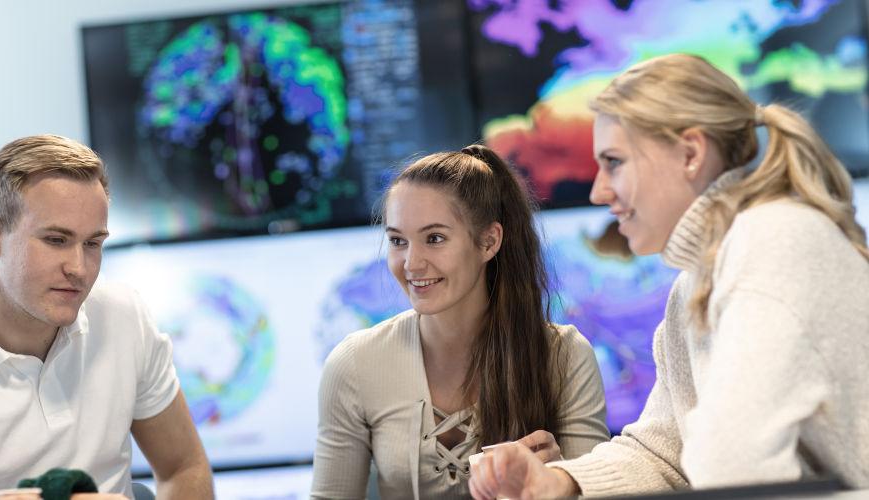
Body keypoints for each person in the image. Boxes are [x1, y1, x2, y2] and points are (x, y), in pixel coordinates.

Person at [469, 53, 869, 499]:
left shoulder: (773, 240)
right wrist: (557, 481)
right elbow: (663, 451)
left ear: (691, 153)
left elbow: (732, 467)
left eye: (614, 162)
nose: (600, 191)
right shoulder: (696, 281)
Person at [0, 135, 214, 499]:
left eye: (93, 244)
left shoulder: (123, 315)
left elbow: (184, 467)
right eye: (56, 240)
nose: (79, 269)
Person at [311, 145, 610, 499]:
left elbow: (597, 492)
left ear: (488, 241)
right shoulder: (355, 363)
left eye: (434, 239)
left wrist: (561, 482)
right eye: (398, 241)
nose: (411, 263)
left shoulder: (565, 355)